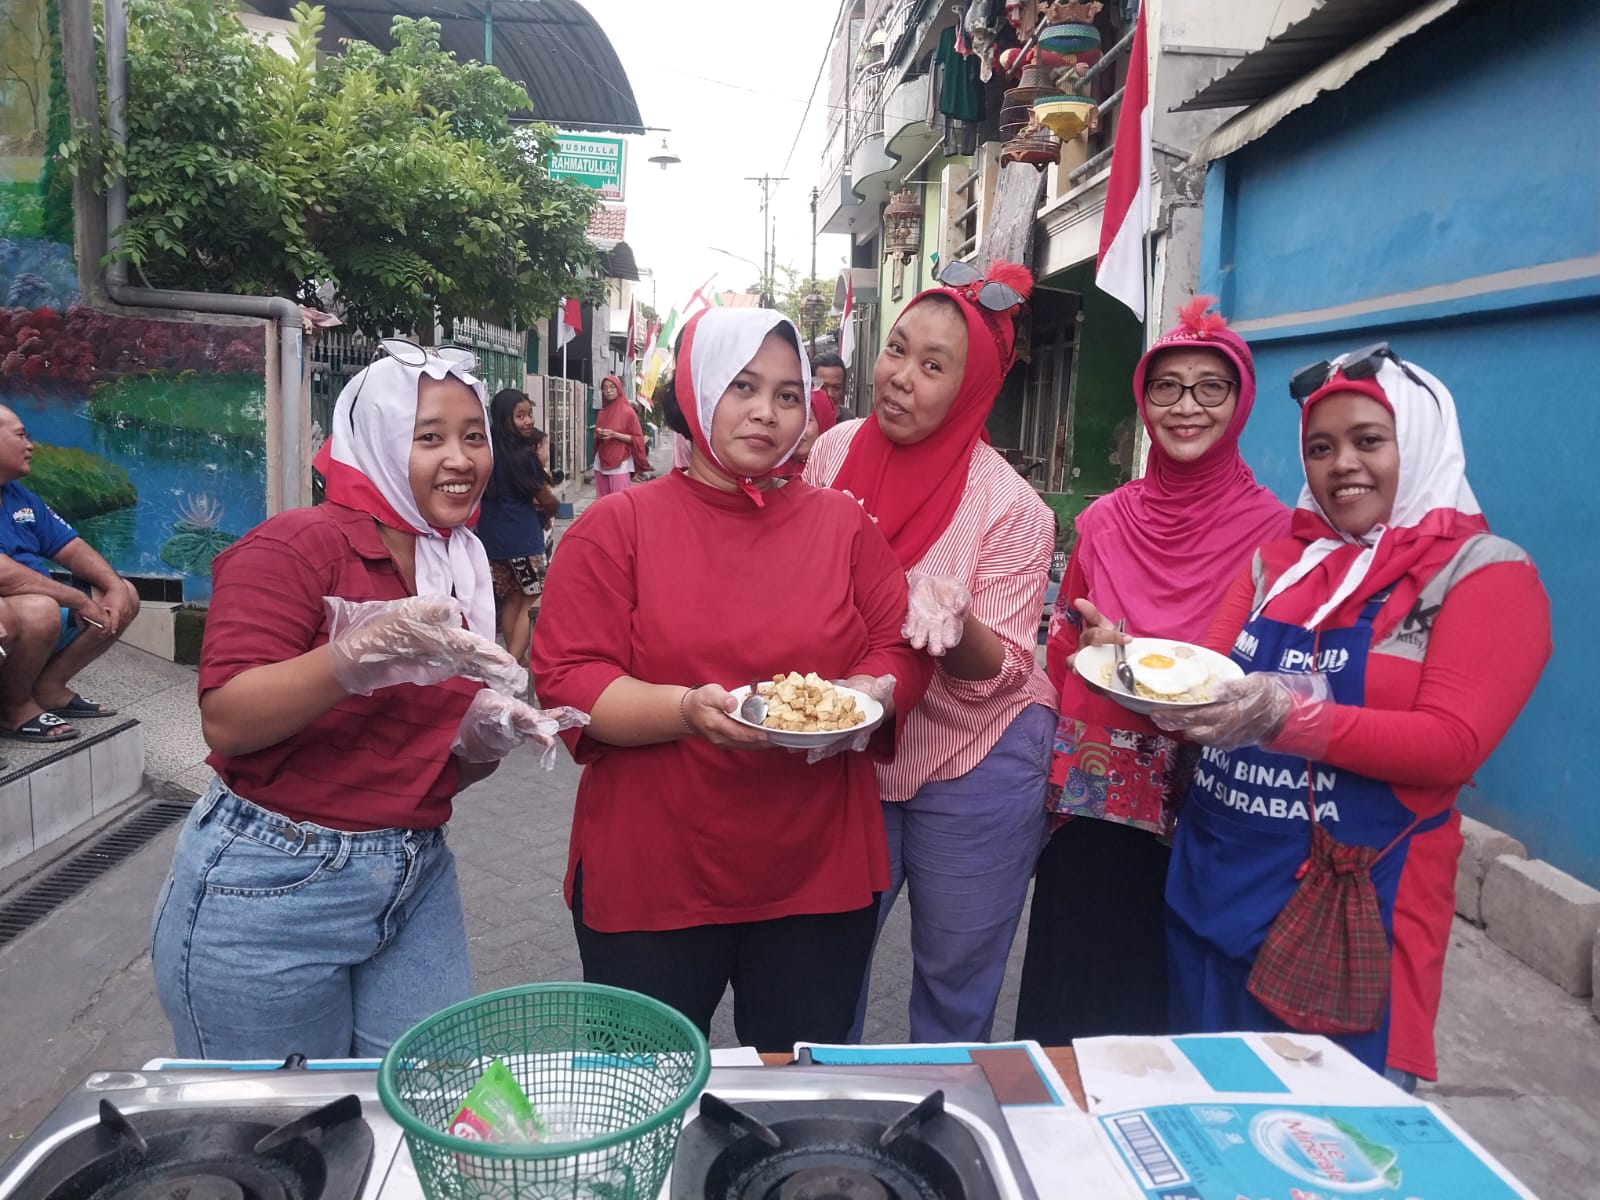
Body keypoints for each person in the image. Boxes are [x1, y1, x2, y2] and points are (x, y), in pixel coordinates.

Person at [152, 343, 581, 1060]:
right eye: (429, 437)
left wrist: (488, 731)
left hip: (412, 869)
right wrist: (354, 655)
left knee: (433, 1101)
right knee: (285, 1136)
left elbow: (437, 767)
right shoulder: (297, 546)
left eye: (474, 437)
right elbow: (227, 719)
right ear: (377, 439)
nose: (460, 459)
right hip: (269, 880)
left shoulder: (461, 564)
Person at [531, 308, 931, 1053]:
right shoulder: (618, 528)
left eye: (787, 395)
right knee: (643, 1096)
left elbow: (897, 645)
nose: (766, 412)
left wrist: (874, 694)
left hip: (816, 870)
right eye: (743, 386)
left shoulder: (844, 527)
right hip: (654, 873)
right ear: (697, 388)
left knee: (791, 1099)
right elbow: (567, 681)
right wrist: (686, 711)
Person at [1155, 346, 1550, 1087]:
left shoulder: (1486, 574)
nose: (1342, 465)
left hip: (1344, 912)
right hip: (1212, 885)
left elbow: (1451, 746)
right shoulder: (1279, 563)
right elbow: (1205, 679)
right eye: (1320, 448)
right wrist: (1138, 669)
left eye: (1369, 440)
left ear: (1422, 442)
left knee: (1317, 1144)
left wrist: (1286, 718)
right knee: (1204, 1121)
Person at [1014, 298, 1291, 1045]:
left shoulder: (1277, 534)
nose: (1187, 406)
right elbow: (1064, 649)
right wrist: (1094, 642)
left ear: (1240, 403)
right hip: (1101, 795)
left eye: (1211, 387)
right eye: (1167, 387)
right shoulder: (1106, 520)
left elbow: (1272, 662)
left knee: (1175, 1010)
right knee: (1075, 1002)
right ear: (1143, 399)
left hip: (1211, 802)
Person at [804, 260, 1058, 1043]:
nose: (901, 378)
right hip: (857, 749)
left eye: (934, 366)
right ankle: (823, 1130)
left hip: (977, 756)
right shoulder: (833, 454)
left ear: (973, 387)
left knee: (955, 981)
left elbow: (999, 677)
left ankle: (935, 1136)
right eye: (897, 350)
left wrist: (954, 623)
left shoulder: (1014, 509)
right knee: (828, 963)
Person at [0, 404, 139, 743]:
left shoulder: (18, 495)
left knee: (124, 593)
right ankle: (14, 707)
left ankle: (48, 688)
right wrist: (75, 599)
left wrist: (113, 587)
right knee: (41, 610)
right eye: (20, 436)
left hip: (38, 612)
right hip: (16, 618)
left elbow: (71, 548)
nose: (29, 445)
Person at [478, 388, 560, 668]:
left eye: (529, 414)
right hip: (523, 540)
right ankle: (512, 664)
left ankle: (513, 658)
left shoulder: (486, 451)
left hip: (492, 538)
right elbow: (546, 499)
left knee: (512, 598)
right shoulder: (522, 457)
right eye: (520, 416)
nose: (528, 421)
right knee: (532, 597)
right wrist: (550, 512)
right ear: (504, 420)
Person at [593, 374, 648, 497]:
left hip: (621, 463)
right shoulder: (601, 413)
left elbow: (638, 439)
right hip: (601, 461)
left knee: (619, 500)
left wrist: (615, 435)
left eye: (612, 387)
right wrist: (601, 434)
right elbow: (596, 437)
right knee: (602, 502)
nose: (608, 390)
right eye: (605, 387)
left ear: (619, 389)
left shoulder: (628, 412)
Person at [778, 387, 838, 480]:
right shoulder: (765, 470)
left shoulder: (834, 471)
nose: (797, 428)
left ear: (824, 424)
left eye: (807, 420)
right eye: (791, 419)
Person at [812, 350, 848, 422]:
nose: (830, 394)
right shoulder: (800, 421)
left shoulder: (850, 423)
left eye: (836, 387)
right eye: (823, 387)